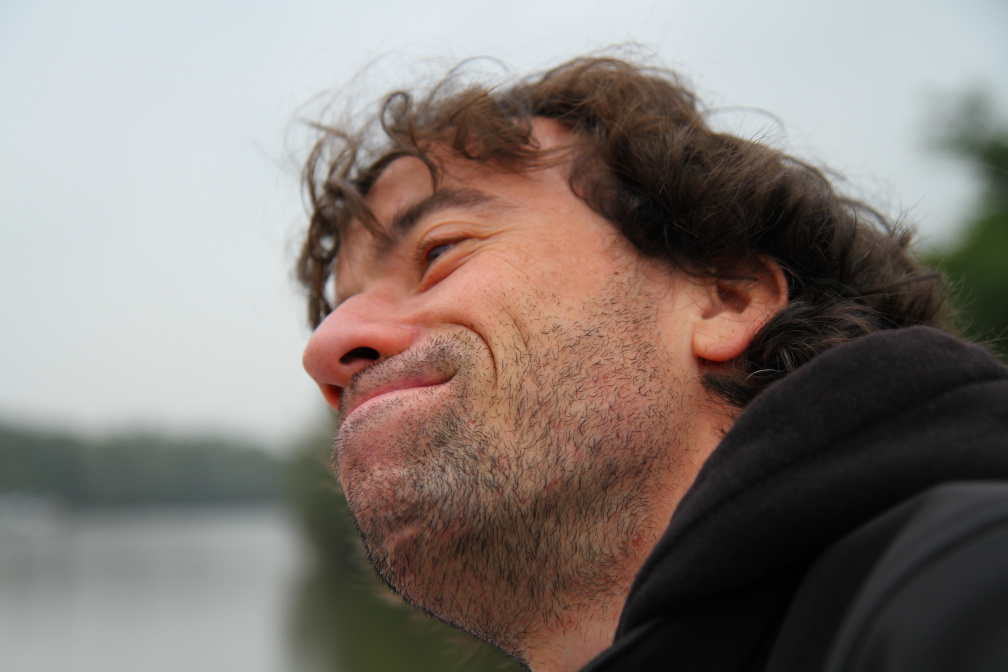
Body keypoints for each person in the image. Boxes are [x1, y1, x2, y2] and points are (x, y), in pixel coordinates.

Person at [298, 56, 1008, 672]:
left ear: (726, 298)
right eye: (341, 304)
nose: (327, 344)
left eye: (439, 250)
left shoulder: (963, 582)